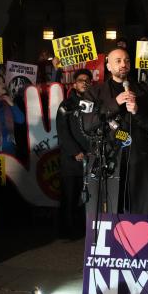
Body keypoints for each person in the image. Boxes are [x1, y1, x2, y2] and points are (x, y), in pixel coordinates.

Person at [82, 48, 148, 215]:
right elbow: (88, 123)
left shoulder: (144, 91)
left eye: (126, 60)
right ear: (108, 66)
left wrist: (137, 112)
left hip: (138, 160)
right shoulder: (94, 92)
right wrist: (114, 104)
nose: (123, 64)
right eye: (118, 61)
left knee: (138, 211)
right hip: (108, 159)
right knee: (109, 209)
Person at [56, 69, 92, 239]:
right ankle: (67, 232)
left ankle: (85, 229)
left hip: (90, 159)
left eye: (87, 80)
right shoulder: (66, 105)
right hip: (71, 160)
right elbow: (62, 131)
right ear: (74, 83)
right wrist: (75, 151)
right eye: (80, 80)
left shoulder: (94, 104)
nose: (84, 82)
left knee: (87, 198)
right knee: (70, 197)